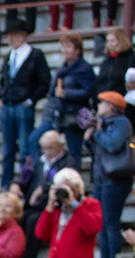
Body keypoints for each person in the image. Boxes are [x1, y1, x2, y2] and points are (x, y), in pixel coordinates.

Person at [0, 20, 49, 189]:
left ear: (23, 35)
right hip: (8, 105)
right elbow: (3, 81)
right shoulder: (8, 57)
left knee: (25, 148)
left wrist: (31, 100)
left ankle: (27, 183)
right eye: (10, 35)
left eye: (14, 35)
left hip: (23, 105)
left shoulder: (35, 55)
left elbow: (45, 82)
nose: (11, 38)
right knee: (7, 149)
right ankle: (6, 183)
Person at [10, 129, 76, 258]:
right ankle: (14, 257)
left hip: (52, 206)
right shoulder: (39, 162)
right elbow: (26, 180)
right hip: (33, 205)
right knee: (17, 218)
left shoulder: (68, 162)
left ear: (60, 146)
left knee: (33, 221)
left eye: (50, 148)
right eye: (44, 148)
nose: (47, 152)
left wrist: (43, 188)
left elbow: (67, 182)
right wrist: (15, 184)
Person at [29, 34, 94, 163]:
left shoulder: (85, 69)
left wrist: (66, 93)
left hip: (73, 118)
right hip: (56, 116)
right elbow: (52, 95)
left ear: (77, 50)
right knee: (34, 139)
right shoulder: (61, 70)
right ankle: (43, 172)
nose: (64, 50)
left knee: (74, 154)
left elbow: (88, 92)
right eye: (63, 46)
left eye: (68, 47)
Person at [86, 91, 134, 258]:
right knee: (102, 224)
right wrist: (89, 138)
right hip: (101, 179)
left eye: (102, 103)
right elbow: (98, 151)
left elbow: (113, 145)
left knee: (111, 223)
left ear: (111, 106)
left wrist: (98, 133)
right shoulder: (103, 124)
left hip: (116, 179)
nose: (99, 106)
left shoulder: (122, 122)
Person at [35, 168, 101, 258]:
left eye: (68, 187)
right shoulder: (57, 208)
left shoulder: (91, 204)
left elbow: (93, 228)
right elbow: (41, 234)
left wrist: (75, 205)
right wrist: (50, 204)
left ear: (77, 187)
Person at [97, 29, 135, 97]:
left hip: (123, 99)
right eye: (107, 41)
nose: (109, 44)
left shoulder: (131, 59)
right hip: (104, 99)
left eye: (112, 41)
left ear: (121, 41)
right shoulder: (106, 61)